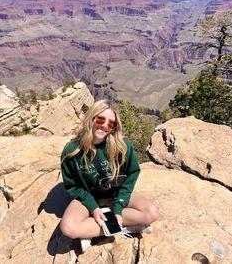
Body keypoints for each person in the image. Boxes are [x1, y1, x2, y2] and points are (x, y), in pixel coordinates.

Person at [60, 99, 159, 240]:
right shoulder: (72, 151)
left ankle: (98, 229)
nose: (105, 126)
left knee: (152, 213)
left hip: (115, 194)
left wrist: (119, 207)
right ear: (91, 118)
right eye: (100, 120)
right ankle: (126, 226)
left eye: (111, 123)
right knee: (69, 228)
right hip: (89, 197)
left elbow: (132, 174)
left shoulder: (122, 146)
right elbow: (73, 186)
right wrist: (93, 207)